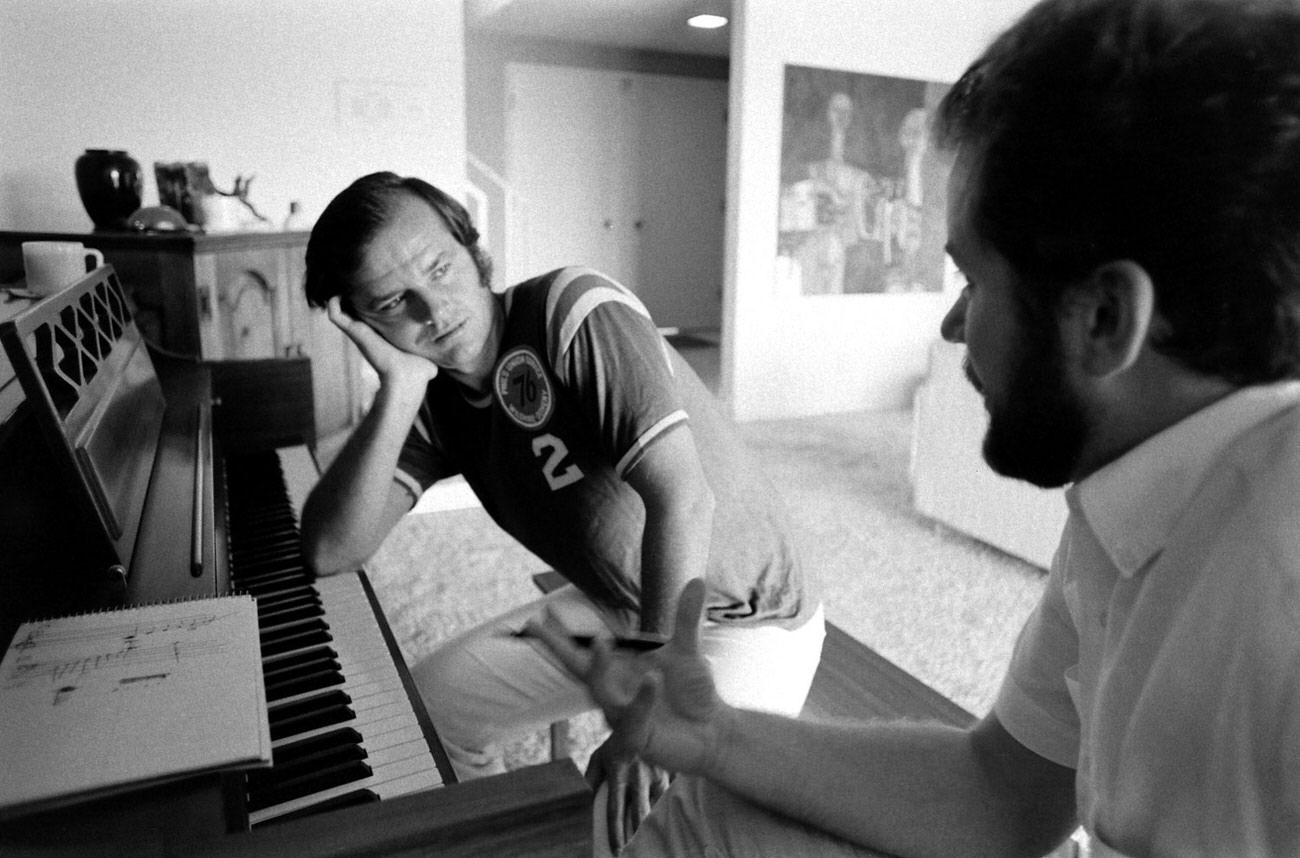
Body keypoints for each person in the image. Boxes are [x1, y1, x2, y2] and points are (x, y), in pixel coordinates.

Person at [528, 0, 1300, 855]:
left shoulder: (1278, 595)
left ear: (1105, 318)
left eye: (973, 279)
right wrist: (717, 738)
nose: (953, 325)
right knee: (711, 813)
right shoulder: (1130, 499)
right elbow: (999, 792)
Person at [298, 172, 824, 854]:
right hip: (620, 601)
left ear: (471, 247)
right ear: (362, 322)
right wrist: (398, 389)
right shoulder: (434, 402)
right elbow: (332, 550)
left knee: (646, 829)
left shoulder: (573, 311)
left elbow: (683, 498)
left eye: (439, 267)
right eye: (394, 301)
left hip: (742, 619)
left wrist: (650, 709)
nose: (434, 309)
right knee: (424, 712)